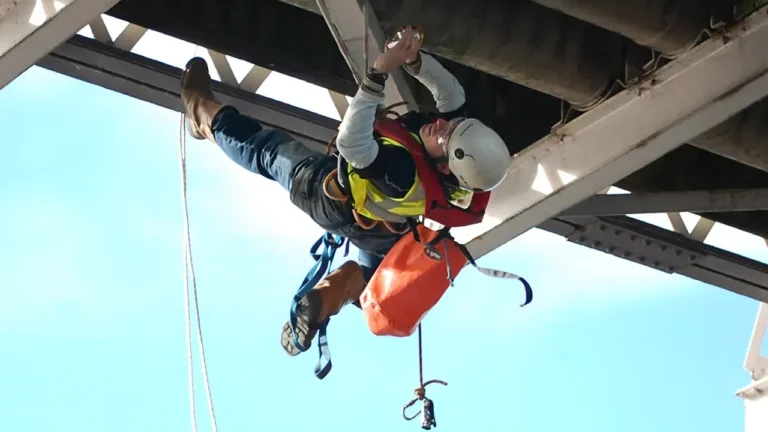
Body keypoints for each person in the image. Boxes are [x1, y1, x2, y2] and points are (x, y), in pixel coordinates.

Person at [179, 26, 511, 358]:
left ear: (445, 167)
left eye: (445, 135)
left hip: (327, 197)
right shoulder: (453, 160)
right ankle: (338, 288)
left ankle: (199, 112)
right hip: (378, 228)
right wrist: (415, 60)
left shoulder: (401, 170)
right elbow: (451, 95)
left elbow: (352, 143)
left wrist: (380, 71)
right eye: (450, 125)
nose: (440, 125)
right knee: (376, 269)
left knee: (264, 150)